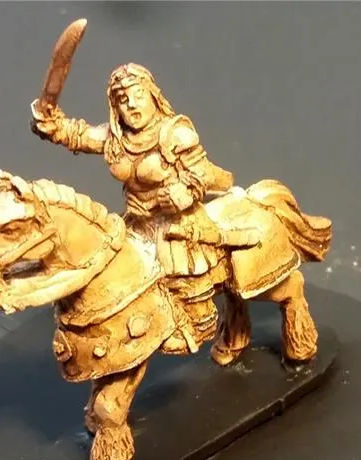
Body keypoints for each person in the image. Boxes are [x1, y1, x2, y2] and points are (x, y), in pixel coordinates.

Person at [30, 63, 235, 353]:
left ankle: (200, 325)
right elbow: (76, 134)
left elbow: (211, 175)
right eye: (123, 99)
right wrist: (50, 123)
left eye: (138, 94)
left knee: (181, 272)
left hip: (178, 224)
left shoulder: (174, 133)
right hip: (137, 223)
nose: (132, 104)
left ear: (153, 95)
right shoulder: (115, 139)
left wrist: (187, 191)